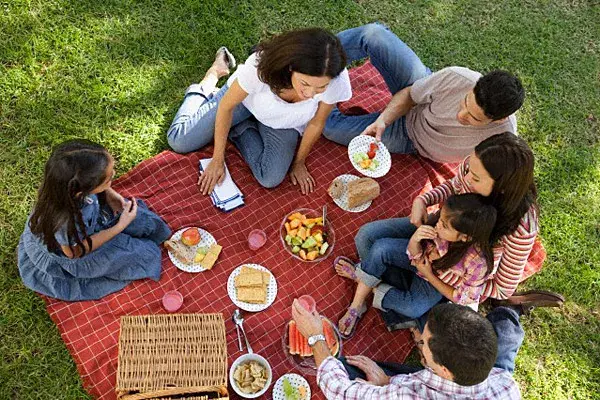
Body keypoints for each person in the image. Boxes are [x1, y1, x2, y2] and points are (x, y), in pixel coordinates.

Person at [334, 133, 543, 333]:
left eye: (476, 178)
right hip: (433, 234)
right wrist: (422, 201)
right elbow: (451, 186)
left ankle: (368, 280)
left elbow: (502, 289)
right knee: (366, 236)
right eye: (469, 168)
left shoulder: (520, 227)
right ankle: (375, 281)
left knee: (412, 307)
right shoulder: (473, 169)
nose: (467, 178)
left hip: (449, 273)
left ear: (502, 189)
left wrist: (441, 279)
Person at [167, 28, 352, 194]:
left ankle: (239, 128)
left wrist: (299, 163)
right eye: (305, 83)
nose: (311, 94)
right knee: (179, 140)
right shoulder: (259, 66)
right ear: (290, 67)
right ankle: (212, 77)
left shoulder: (336, 80)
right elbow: (226, 106)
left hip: (285, 122)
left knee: (270, 178)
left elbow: (316, 122)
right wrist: (217, 159)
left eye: (321, 88)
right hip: (245, 103)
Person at [323, 23, 525, 163]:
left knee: (328, 128)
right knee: (373, 34)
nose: (460, 115)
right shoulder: (458, 77)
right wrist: (383, 121)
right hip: (418, 95)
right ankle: (317, 64)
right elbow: (411, 94)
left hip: (411, 138)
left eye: (473, 118)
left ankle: (322, 99)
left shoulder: (502, 142)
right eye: (465, 103)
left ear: (499, 120)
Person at [17, 140, 171, 301]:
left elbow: (100, 188)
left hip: (88, 223)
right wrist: (119, 226)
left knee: (145, 222)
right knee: (146, 255)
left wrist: (111, 196)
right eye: (108, 179)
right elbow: (73, 253)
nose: (114, 176)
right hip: (79, 249)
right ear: (83, 190)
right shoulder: (66, 222)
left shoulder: (64, 187)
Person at [336, 193, 497, 338]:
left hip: (435, 281)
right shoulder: (439, 226)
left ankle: (363, 279)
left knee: (413, 309)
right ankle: (356, 306)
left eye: (444, 226)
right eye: (440, 219)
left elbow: (463, 298)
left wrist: (429, 275)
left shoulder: (477, 263)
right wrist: (415, 240)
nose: (438, 225)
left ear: (465, 237)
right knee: (380, 248)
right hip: (419, 259)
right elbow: (414, 256)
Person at [293, 300, 527, 399]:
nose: (419, 341)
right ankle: (509, 312)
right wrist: (388, 382)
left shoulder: (409, 395)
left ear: (444, 370)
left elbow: (339, 390)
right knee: (506, 333)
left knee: (343, 368)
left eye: (423, 344)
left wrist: (315, 337)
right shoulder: (506, 385)